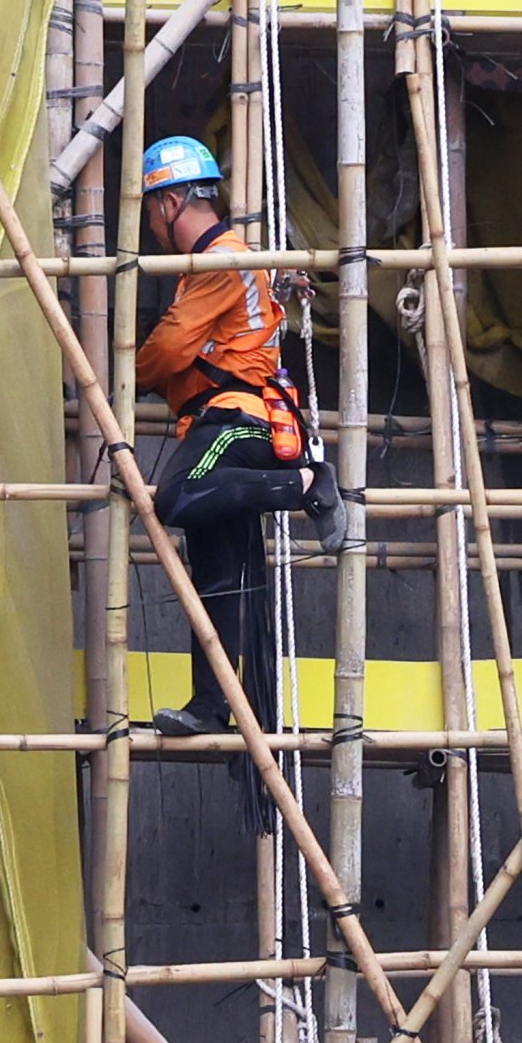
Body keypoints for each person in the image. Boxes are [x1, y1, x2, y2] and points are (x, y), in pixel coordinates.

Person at [132, 134, 347, 736]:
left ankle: (306, 482)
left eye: (151, 210)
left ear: (170, 203)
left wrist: (139, 367)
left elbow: (167, 350)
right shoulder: (229, 262)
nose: (151, 225)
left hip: (235, 422)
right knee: (219, 580)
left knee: (175, 496)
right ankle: (210, 705)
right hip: (219, 420)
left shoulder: (220, 260)